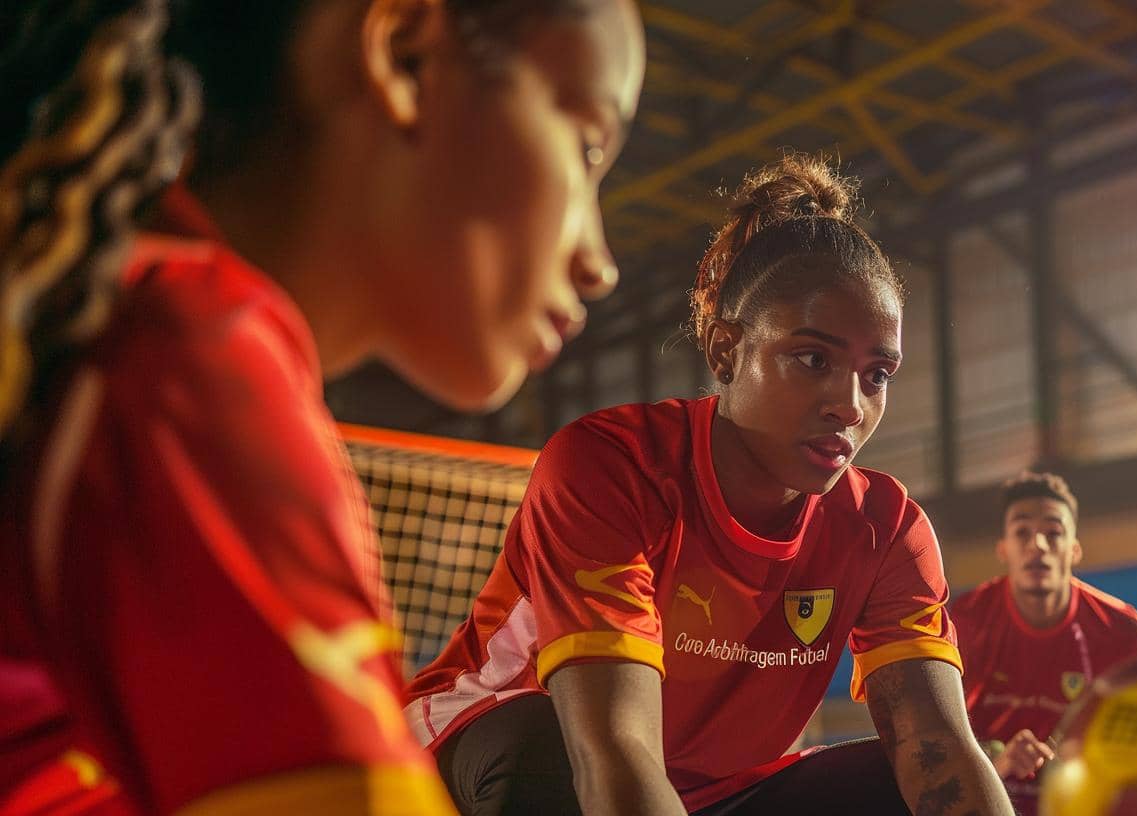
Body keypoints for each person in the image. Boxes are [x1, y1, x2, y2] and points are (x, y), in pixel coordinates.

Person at [0, 0, 644, 812]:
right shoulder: (182, 345)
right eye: (587, 146)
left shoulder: (89, 324)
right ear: (406, 57)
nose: (601, 264)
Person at [405, 154, 1014, 816]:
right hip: (486, 759)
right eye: (814, 359)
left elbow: (942, 748)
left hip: (698, 795)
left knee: (903, 782)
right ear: (726, 351)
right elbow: (615, 751)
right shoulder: (611, 467)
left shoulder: (886, 527)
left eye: (878, 375)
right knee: (547, 756)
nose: (851, 404)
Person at [949, 471, 1137, 814]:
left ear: (1074, 549)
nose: (1038, 546)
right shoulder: (962, 622)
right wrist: (994, 764)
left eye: (1054, 532)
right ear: (1003, 549)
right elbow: (931, 741)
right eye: (1022, 532)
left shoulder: (1126, 634)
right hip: (983, 803)